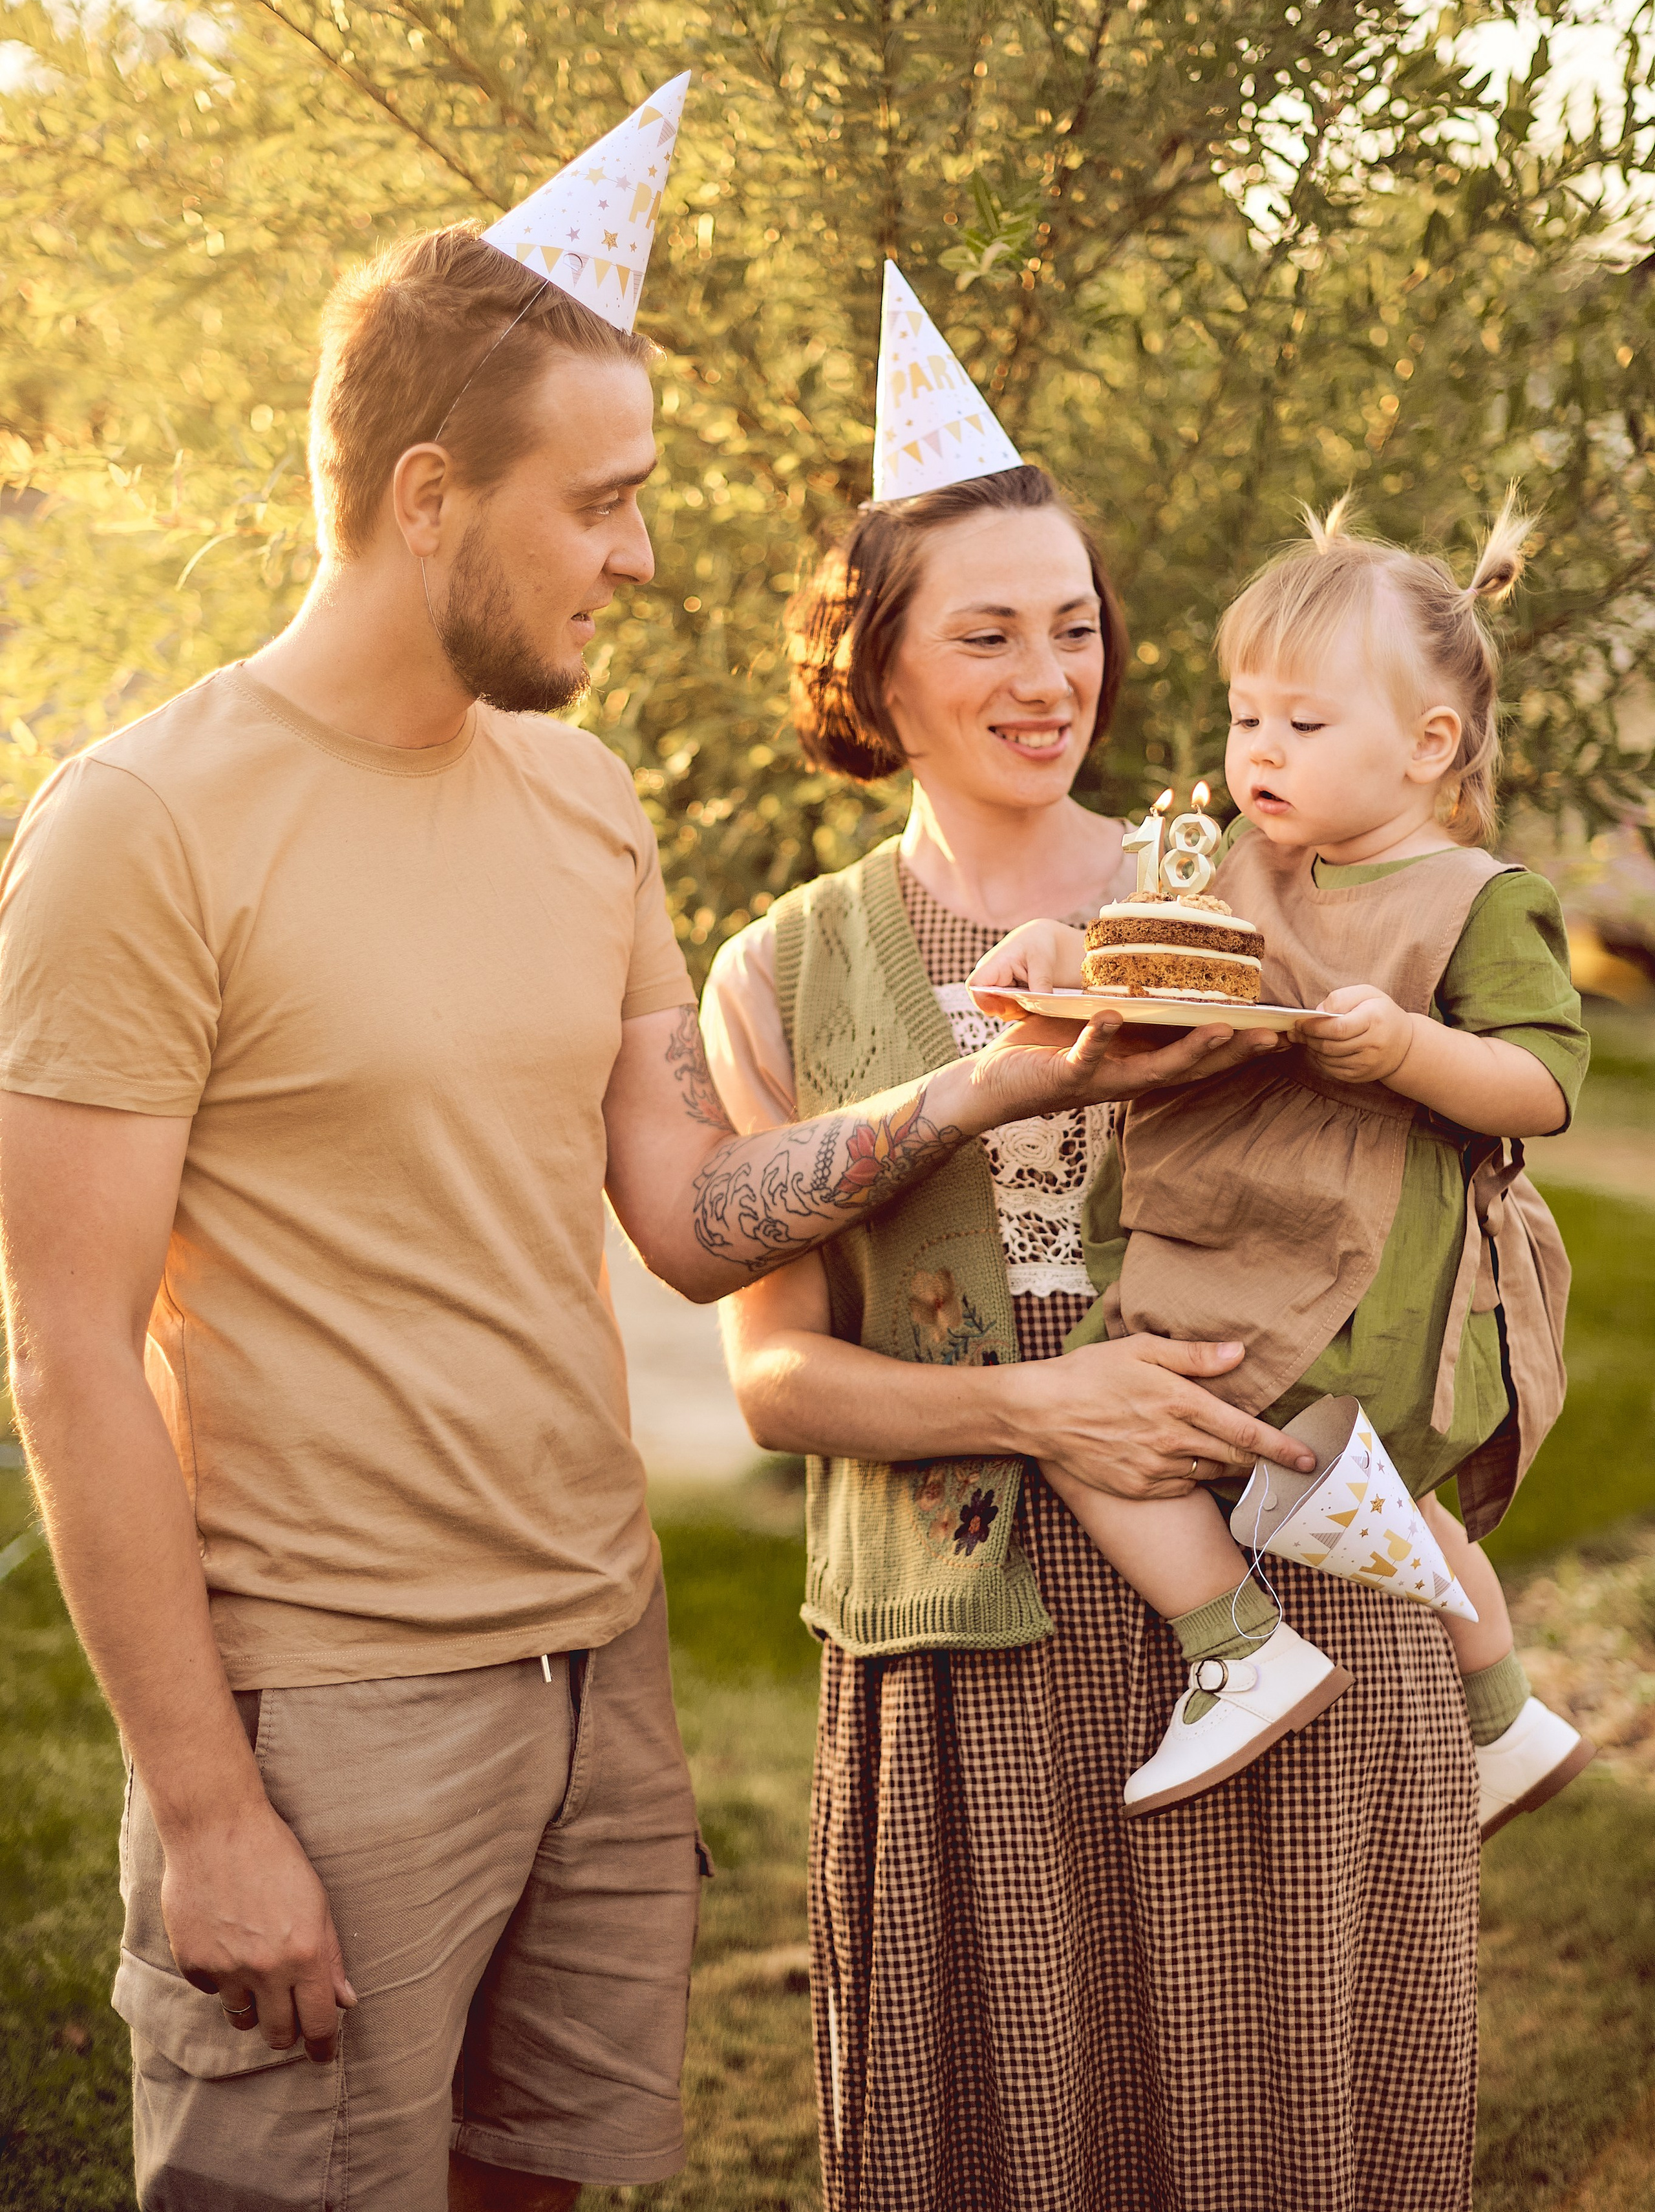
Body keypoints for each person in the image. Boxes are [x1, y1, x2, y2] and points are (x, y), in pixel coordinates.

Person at [0, 225, 1294, 2212]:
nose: (645, 557)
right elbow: (69, 1349)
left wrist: (987, 1086)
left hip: (600, 1668)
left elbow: (693, 1217)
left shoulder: (584, 800)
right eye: (601, 502)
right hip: (333, 1705)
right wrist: (209, 1811)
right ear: (427, 496)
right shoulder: (142, 826)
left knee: (537, 2182)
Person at [703, 462, 1501, 2212]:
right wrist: (1047, 1405)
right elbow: (772, 1378)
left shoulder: (1262, 886)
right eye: (987, 633)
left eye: (1074, 628)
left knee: (1284, 2123)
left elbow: (1430, 1195)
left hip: (1294, 1581)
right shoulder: (784, 971)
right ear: (872, 664)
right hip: (971, 1641)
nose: (1049, 678)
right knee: (1016, 2136)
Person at [976, 497, 1592, 1827]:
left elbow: (1543, 1083)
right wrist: (1067, 955)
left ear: (1428, 746)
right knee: (1370, 1482)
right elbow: (1169, 968)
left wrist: (1411, 1049)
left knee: (1098, 1420)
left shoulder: (1472, 898)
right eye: (1244, 715)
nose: (1258, 748)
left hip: (1349, 1263)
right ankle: (1500, 1717)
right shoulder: (1248, 867)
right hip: (1240, 1223)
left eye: (1302, 724)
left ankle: (1236, 1649)